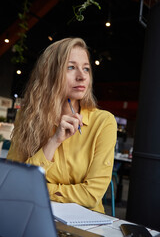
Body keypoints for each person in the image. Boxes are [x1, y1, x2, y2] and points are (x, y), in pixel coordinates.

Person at [7, 37, 117, 214]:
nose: (81, 76)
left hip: (86, 225)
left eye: (86, 69)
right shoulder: (27, 118)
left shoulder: (103, 122)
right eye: (71, 67)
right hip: (35, 214)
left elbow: (90, 195)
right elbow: (14, 182)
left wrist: (38, 189)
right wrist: (54, 141)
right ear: (49, 74)